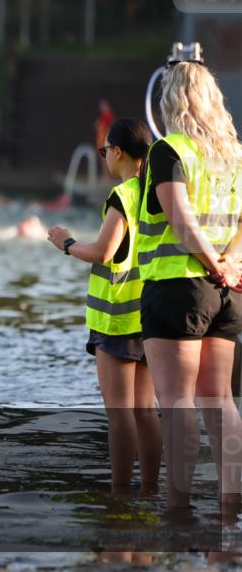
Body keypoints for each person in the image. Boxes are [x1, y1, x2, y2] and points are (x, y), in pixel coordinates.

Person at [136, 61, 242, 510]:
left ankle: (177, 508)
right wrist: (229, 265)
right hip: (228, 291)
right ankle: (231, 505)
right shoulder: (233, 155)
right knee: (220, 401)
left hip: (177, 287)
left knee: (177, 400)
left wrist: (211, 265)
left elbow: (180, 223)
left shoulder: (170, 151)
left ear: (170, 101)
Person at [47, 118, 161, 496]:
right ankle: (150, 491)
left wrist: (65, 242)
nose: (104, 157)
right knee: (146, 411)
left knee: (119, 413)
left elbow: (103, 252)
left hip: (116, 319)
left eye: (105, 150)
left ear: (118, 152)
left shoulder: (124, 196)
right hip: (151, 313)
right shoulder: (157, 191)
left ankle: (120, 493)